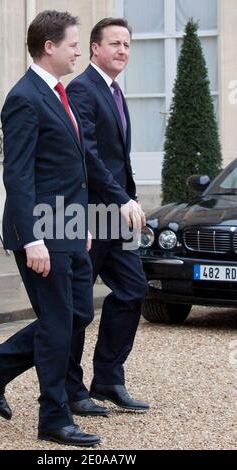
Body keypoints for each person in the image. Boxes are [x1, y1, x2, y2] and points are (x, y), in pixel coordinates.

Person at [0, 11, 102, 447]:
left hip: (69, 226)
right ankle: (53, 418)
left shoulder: (59, 94)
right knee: (59, 322)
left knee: (78, 314)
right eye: (73, 44)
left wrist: (80, 223)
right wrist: (32, 239)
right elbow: (19, 175)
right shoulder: (25, 97)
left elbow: (70, 170)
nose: (79, 50)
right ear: (50, 47)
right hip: (41, 232)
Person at [66, 18, 150, 411]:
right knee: (78, 307)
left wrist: (129, 197)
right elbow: (89, 155)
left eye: (127, 45)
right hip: (93, 214)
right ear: (95, 48)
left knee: (133, 289)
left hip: (118, 213)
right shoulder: (83, 89)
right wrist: (122, 198)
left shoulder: (114, 91)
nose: (122, 51)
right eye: (115, 43)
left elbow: (118, 158)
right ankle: (71, 390)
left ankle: (108, 379)